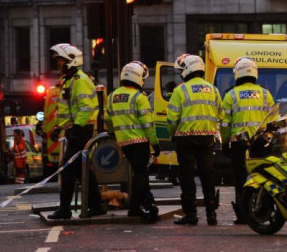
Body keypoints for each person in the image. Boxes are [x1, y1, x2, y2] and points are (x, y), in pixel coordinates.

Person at [47, 43, 105, 220]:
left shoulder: (80, 81)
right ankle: (97, 205)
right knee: (81, 170)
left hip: (81, 131)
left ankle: (65, 210)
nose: (58, 63)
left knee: (67, 170)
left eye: (60, 60)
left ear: (71, 61)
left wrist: (77, 130)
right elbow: (69, 109)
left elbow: (86, 108)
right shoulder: (70, 80)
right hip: (75, 130)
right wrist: (59, 127)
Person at [167, 54, 223, 226]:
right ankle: (211, 213)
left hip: (185, 139)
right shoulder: (213, 89)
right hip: (207, 138)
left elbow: (171, 118)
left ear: (188, 69)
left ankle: (191, 214)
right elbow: (220, 114)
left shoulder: (180, 90)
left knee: (187, 177)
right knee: (207, 174)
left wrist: (173, 134)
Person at [105, 61, 161, 223]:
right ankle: (135, 207)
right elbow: (148, 124)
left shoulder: (112, 96)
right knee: (141, 175)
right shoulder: (139, 97)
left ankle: (149, 204)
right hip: (140, 141)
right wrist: (155, 143)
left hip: (124, 143)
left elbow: (108, 120)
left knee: (139, 173)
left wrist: (114, 134)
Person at [220, 57, 274, 225]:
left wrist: (225, 142)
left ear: (237, 74)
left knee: (240, 179)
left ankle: (243, 215)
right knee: (264, 177)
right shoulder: (265, 94)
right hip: (261, 144)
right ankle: (263, 211)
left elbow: (224, 124)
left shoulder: (231, 95)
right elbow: (274, 119)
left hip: (239, 145)